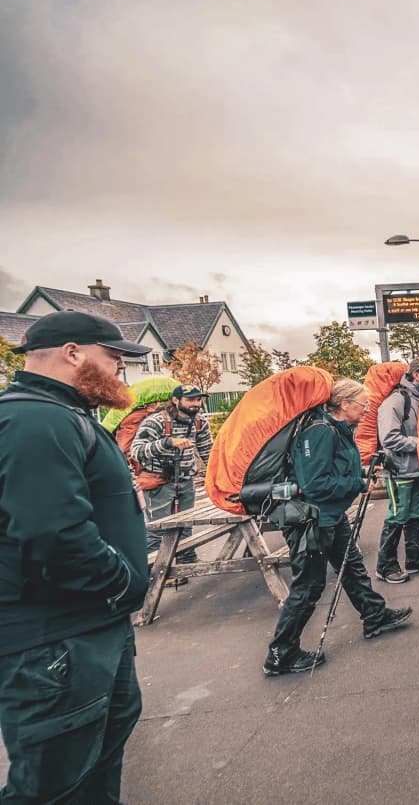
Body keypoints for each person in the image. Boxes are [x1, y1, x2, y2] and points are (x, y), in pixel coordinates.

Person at [0, 311, 151, 802]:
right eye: (114, 357)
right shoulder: (35, 420)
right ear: (72, 353)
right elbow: (54, 534)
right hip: (55, 639)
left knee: (93, 769)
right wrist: (121, 584)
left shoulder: (60, 414)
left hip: (85, 628)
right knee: (53, 784)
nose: (121, 368)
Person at [264, 379, 412, 675]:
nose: (368, 409)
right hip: (311, 519)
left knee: (352, 567)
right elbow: (314, 484)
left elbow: (334, 470)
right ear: (344, 404)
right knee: (309, 586)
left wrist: (361, 475)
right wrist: (357, 483)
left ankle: (374, 615)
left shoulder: (338, 430)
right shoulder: (320, 432)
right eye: (363, 404)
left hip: (329, 515)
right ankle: (280, 654)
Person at [131, 383, 214, 581]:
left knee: (186, 524)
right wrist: (168, 442)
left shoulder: (199, 422)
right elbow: (137, 451)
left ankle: (186, 562)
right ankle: (155, 573)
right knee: (158, 529)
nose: (196, 404)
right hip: (158, 482)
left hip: (185, 480)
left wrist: (216, 475)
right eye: (190, 400)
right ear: (176, 400)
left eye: (198, 399)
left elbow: (208, 451)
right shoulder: (156, 421)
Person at [375, 359, 419, 583]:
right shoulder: (396, 400)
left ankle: (415, 559)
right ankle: (385, 565)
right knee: (398, 516)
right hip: (400, 470)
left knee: (416, 515)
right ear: (416, 375)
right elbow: (389, 438)